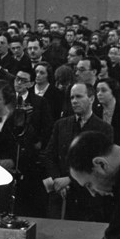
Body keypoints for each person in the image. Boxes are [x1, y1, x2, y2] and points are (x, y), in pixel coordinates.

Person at [42, 82, 114, 221]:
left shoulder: (104, 129)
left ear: (91, 99)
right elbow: (49, 156)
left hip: (87, 201)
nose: (74, 101)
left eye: (79, 97)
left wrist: (69, 180)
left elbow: (100, 166)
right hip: (60, 197)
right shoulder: (61, 125)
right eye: (72, 97)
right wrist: (57, 181)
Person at [93, 78, 120, 147]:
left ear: (113, 91)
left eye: (103, 90)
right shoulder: (95, 112)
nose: (99, 94)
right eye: (97, 91)